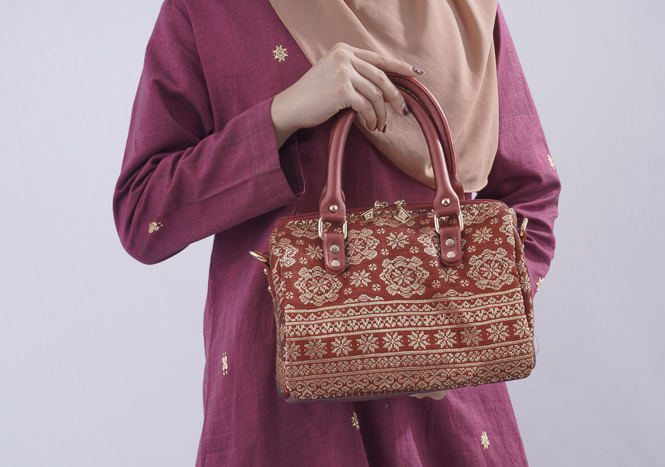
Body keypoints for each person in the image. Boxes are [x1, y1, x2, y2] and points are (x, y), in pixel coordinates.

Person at [113, 0, 560, 465]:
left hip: (442, 407)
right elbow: (143, 214)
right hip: (280, 399)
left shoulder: (464, 9)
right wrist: (281, 115)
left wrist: (469, 331)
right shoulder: (209, 9)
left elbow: (532, 196)